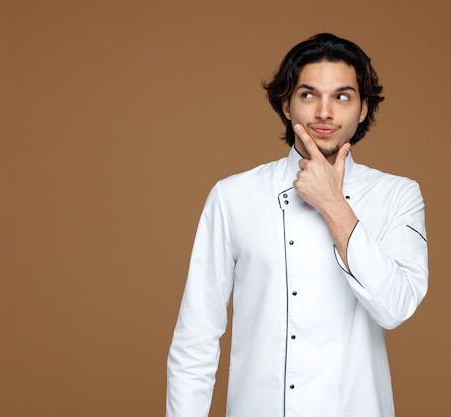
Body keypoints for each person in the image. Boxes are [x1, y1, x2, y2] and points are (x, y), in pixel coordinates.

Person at [166, 32, 429, 417]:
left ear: (362, 108)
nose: (324, 112)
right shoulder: (233, 196)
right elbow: (197, 337)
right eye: (308, 95)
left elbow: (395, 307)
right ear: (286, 105)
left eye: (342, 96)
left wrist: (332, 204)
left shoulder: (397, 196)